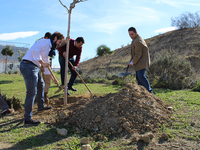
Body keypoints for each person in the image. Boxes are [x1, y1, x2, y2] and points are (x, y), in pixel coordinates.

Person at [20, 32, 64, 125]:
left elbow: (47, 66)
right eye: (59, 42)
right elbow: (34, 50)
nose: (59, 44)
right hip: (28, 65)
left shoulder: (49, 48)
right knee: (31, 92)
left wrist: (53, 79)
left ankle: (41, 106)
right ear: (55, 38)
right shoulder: (45, 42)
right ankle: (27, 119)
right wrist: (41, 62)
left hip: (34, 67)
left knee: (41, 85)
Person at [128, 27, 153, 93]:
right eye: (129, 34)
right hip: (139, 63)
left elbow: (138, 54)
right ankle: (142, 93)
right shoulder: (136, 39)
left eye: (132, 34)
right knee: (138, 78)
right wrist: (130, 61)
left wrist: (132, 62)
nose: (131, 36)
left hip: (141, 62)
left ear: (136, 32)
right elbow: (134, 54)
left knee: (141, 76)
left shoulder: (137, 41)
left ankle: (150, 92)